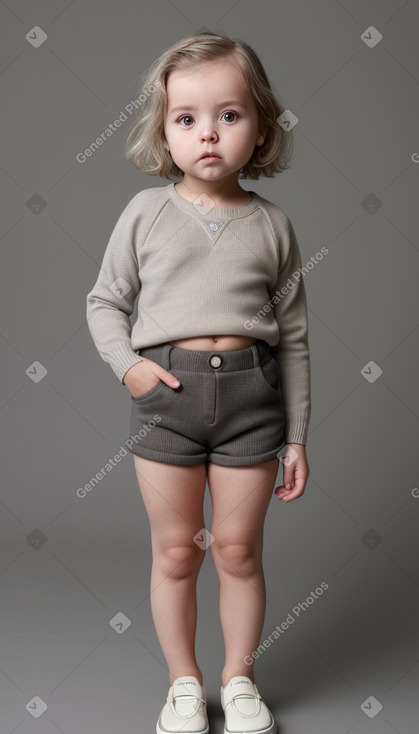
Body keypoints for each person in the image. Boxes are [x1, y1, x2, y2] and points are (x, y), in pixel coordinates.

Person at [86, 30, 311, 734]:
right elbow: (104, 303)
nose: (206, 133)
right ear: (163, 131)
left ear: (261, 128)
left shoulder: (273, 226)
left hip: (253, 403)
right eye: (185, 119)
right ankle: (183, 684)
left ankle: (238, 678)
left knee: (239, 551)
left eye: (228, 115)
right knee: (178, 551)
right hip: (168, 403)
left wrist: (297, 436)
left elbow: (296, 340)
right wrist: (131, 368)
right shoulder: (144, 214)